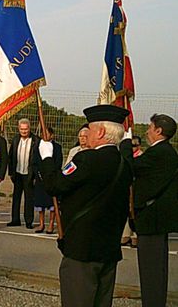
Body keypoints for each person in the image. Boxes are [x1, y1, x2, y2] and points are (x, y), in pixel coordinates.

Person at [38, 104, 131, 307]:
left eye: (89, 128)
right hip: (108, 250)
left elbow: (54, 185)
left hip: (82, 250)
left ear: (101, 131)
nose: (85, 133)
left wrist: (46, 157)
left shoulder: (87, 159)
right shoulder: (124, 163)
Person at [122, 114, 178, 307]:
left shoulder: (160, 152)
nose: (147, 130)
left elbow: (131, 167)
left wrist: (125, 144)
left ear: (159, 131)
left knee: (151, 270)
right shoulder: (164, 152)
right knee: (155, 269)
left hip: (151, 218)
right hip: (155, 219)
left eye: (150, 127)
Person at [8, 118, 40, 229]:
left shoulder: (36, 140)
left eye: (26, 129)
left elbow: (38, 159)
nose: (24, 132)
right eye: (22, 129)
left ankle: (28, 221)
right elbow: (11, 156)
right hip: (17, 172)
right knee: (16, 197)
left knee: (29, 198)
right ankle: (15, 219)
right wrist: (11, 172)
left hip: (29, 174)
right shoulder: (16, 139)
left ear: (29, 128)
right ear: (18, 129)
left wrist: (36, 175)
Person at [33, 126, 61, 234]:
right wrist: (39, 174)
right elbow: (34, 162)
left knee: (51, 202)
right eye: (43, 133)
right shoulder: (37, 147)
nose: (44, 135)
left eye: (47, 133)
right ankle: (41, 224)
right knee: (41, 202)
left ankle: (51, 224)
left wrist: (52, 174)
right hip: (40, 179)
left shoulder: (57, 147)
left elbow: (58, 162)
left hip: (52, 178)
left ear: (52, 135)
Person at [120, 135, 142, 247]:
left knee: (133, 210)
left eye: (134, 146)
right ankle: (125, 235)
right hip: (126, 187)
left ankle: (135, 236)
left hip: (136, 187)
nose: (132, 148)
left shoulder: (140, 157)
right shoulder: (124, 156)